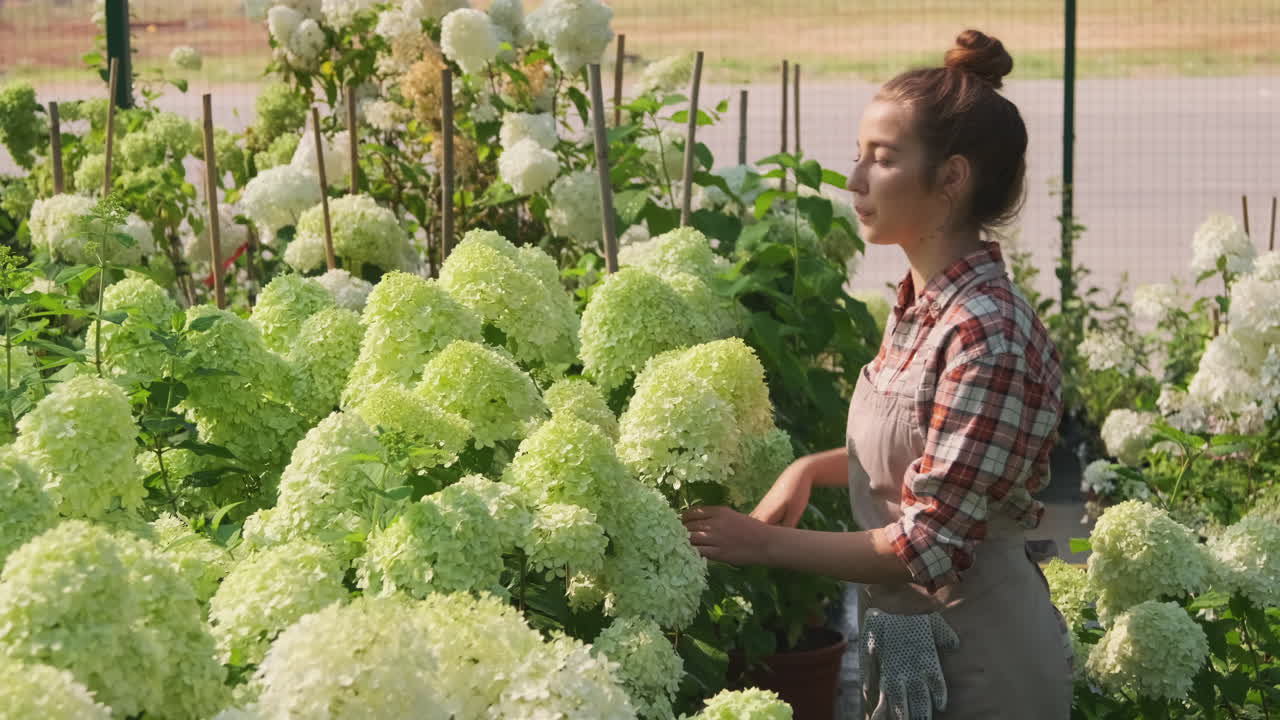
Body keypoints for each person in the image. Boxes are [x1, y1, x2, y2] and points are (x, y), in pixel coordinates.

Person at [681, 30, 1073, 720]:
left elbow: (929, 542)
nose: (855, 179)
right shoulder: (921, 305)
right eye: (857, 155)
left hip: (986, 657)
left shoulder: (986, 333)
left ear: (951, 178)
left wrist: (760, 542)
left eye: (883, 159)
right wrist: (807, 469)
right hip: (908, 635)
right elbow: (929, 454)